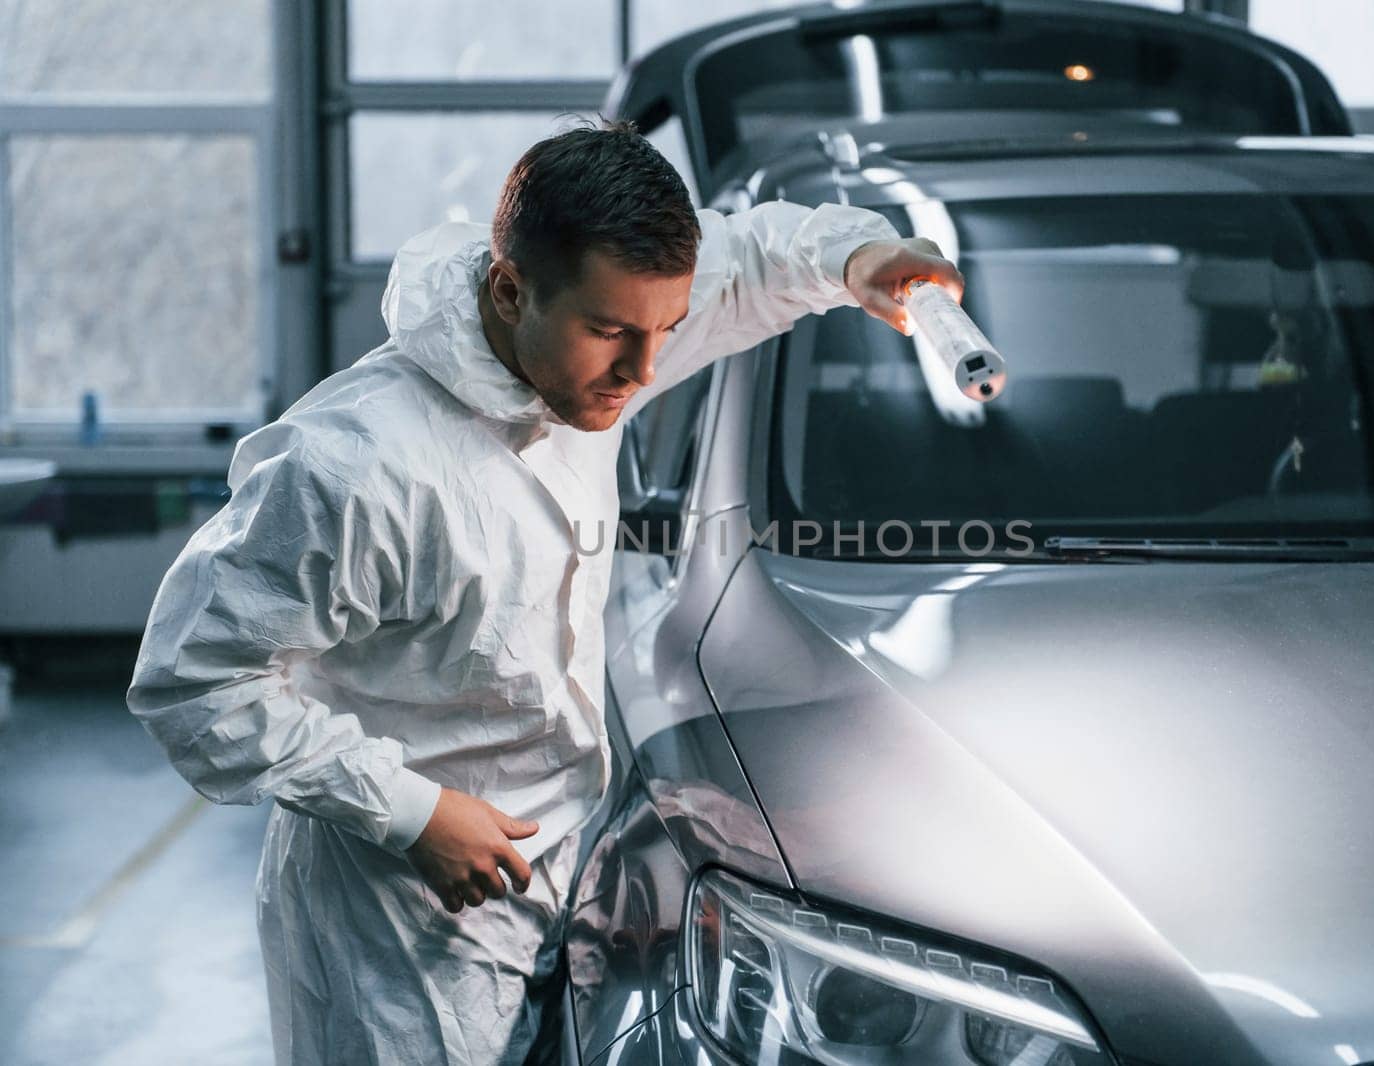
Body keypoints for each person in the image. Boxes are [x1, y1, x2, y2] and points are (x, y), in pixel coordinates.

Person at [125, 118, 962, 1066]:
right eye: (611, 333)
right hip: (397, 927)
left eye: (667, 331)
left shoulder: (594, 346)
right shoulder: (355, 467)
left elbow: (753, 256)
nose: (643, 373)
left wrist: (860, 257)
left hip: (562, 880)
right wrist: (410, 812)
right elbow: (191, 683)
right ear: (511, 287)